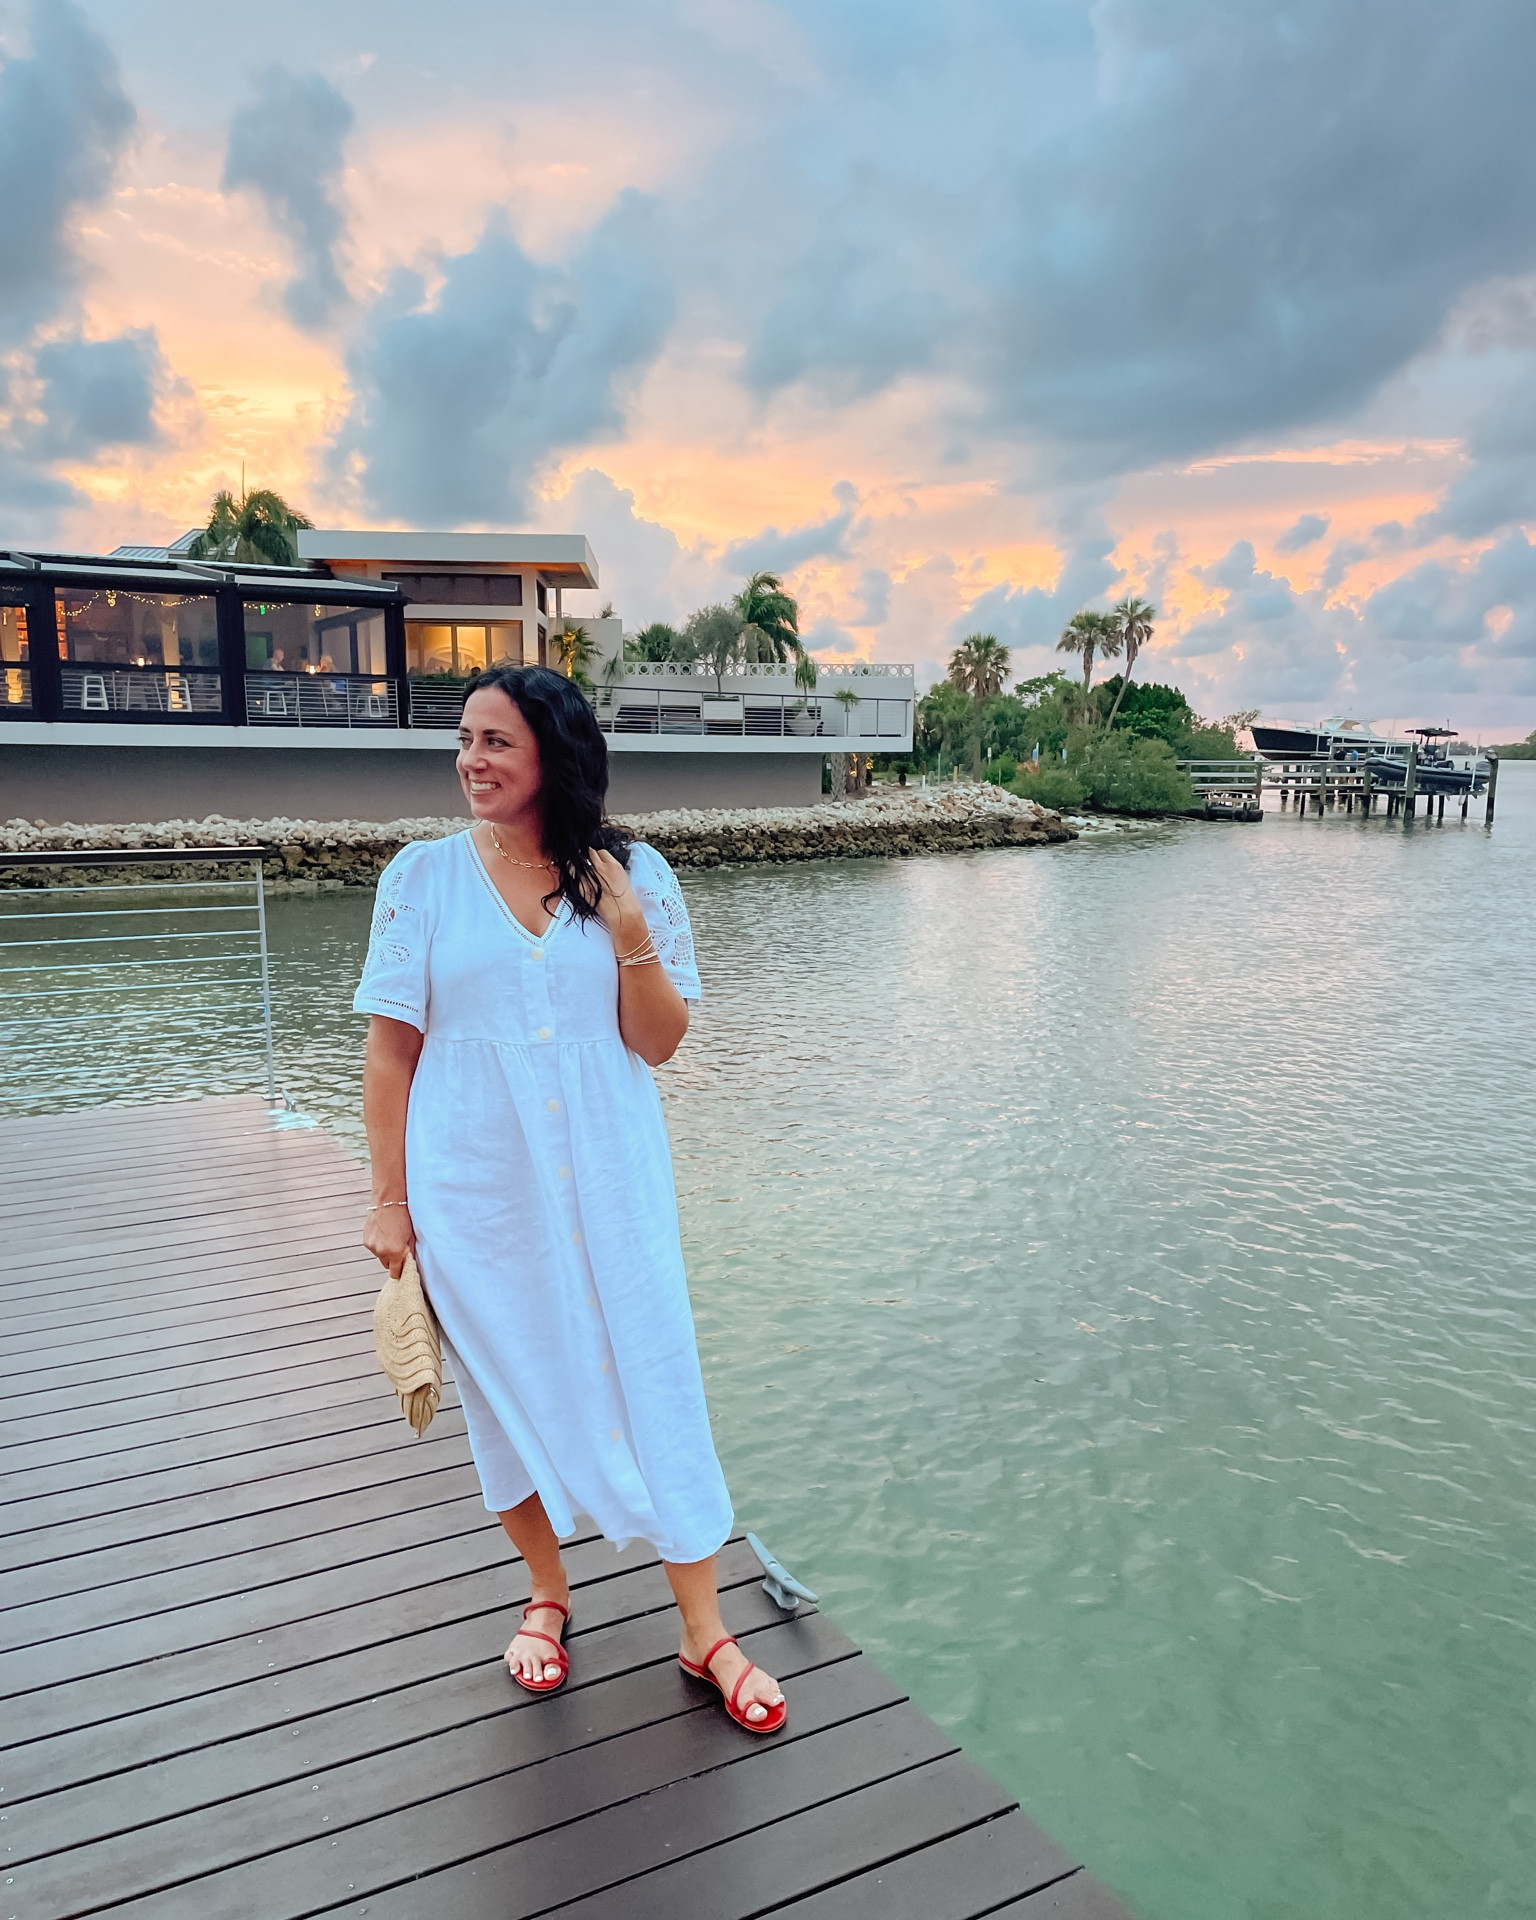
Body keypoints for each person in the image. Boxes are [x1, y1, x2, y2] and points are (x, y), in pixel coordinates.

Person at [355, 663, 785, 1733]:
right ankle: (547, 1594)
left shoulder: (633, 872)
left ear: (553, 749)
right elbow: (389, 1055)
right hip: (476, 1199)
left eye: (495, 741)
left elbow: (661, 1041)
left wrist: (629, 921)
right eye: (464, 740)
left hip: (616, 1186)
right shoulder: (422, 878)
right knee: (505, 1401)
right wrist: (388, 1200)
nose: (471, 760)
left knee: (658, 1384)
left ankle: (705, 1630)